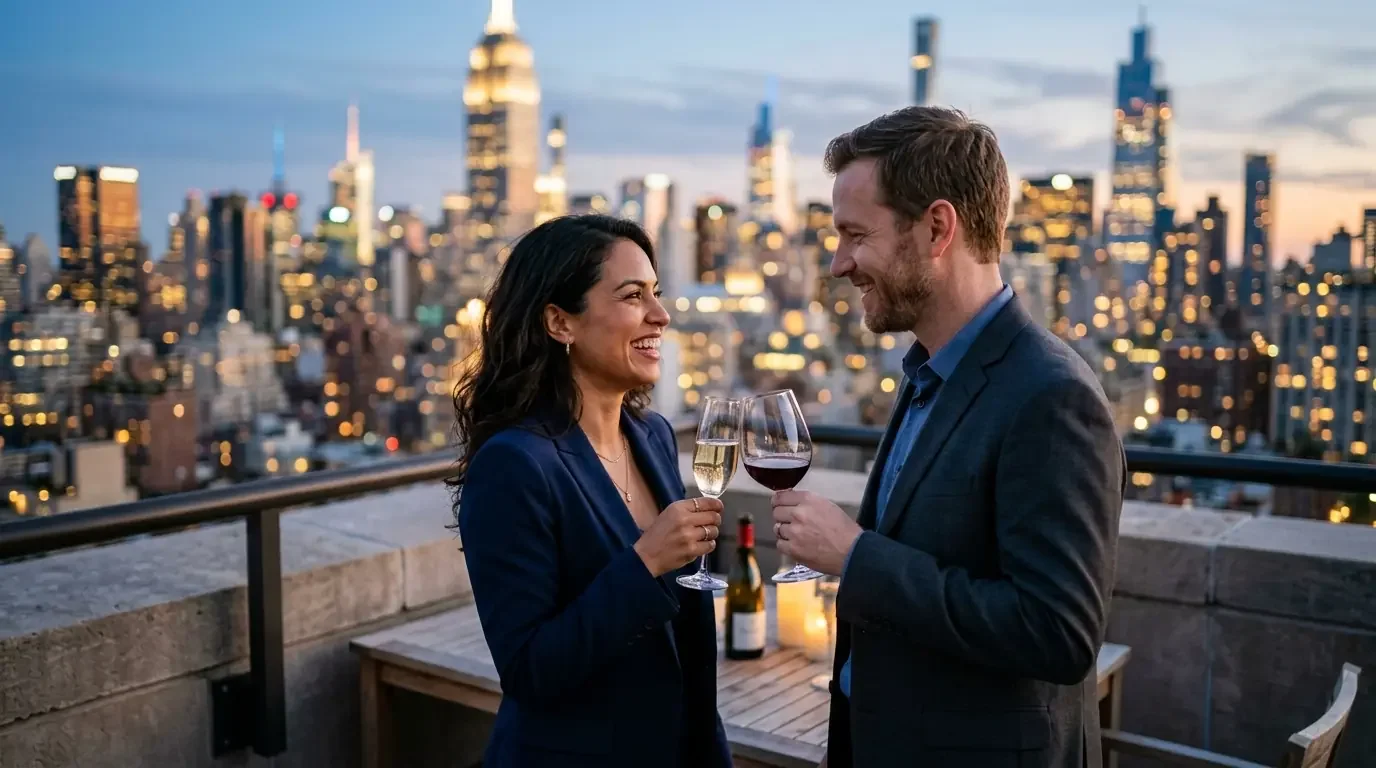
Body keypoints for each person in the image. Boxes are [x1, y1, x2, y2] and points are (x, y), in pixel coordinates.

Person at [770, 107, 1125, 768]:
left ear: (937, 228)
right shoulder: (927, 372)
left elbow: (1058, 633)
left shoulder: (1050, 397)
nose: (840, 263)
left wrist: (856, 557)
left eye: (854, 234)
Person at [452, 215, 732, 767]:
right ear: (560, 322)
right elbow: (529, 670)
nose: (661, 314)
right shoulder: (514, 464)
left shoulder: (650, 435)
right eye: (633, 296)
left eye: (656, 292)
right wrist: (644, 562)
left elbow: (687, 656)